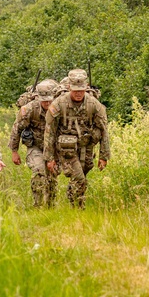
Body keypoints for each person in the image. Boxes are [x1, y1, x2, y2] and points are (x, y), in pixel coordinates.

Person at [44, 69, 110, 208]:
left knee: (81, 178)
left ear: (86, 87)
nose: (79, 93)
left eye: (81, 90)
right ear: (69, 88)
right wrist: (49, 157)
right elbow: (50, 132)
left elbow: (104, 131)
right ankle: (79, 208)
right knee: (79, 178)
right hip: (66, 150)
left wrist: (103, 156)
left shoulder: (94, 105)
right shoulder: (58, 104)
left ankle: (72, 197)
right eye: (75, 90)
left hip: (86, 148)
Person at [9, 79, 58, 207]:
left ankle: (50, 205)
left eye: (50, 99)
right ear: (39, 98)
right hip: (35, 146)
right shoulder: (29, 110)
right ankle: (38, 204)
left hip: (53, 148)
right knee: (39, 171)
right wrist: (14, 151)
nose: (47, 102)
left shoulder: (59, 108)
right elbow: (16, 129)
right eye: (44, 100)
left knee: (52, 176)